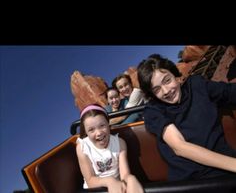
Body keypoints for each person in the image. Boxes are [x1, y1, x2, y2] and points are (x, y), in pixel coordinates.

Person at [137, 53, 236, 181]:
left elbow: (229, 92)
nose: (166, 91)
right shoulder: (153, 110)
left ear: (176, 76)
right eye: (157, 89)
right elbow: (180, 147)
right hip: (191, 180)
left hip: (226, 172)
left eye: (167, 80)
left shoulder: (197, 85)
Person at [76, 104, 144, 193]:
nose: (99, 133)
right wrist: (109, 181)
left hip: (118, 187)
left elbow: (125, 174)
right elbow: (90, 180)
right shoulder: (82, 148)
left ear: (108, 124)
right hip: (95, 190)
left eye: (102, 125)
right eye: (91, 130)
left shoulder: (120, 143)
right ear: (86, 132)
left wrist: (130, 179)